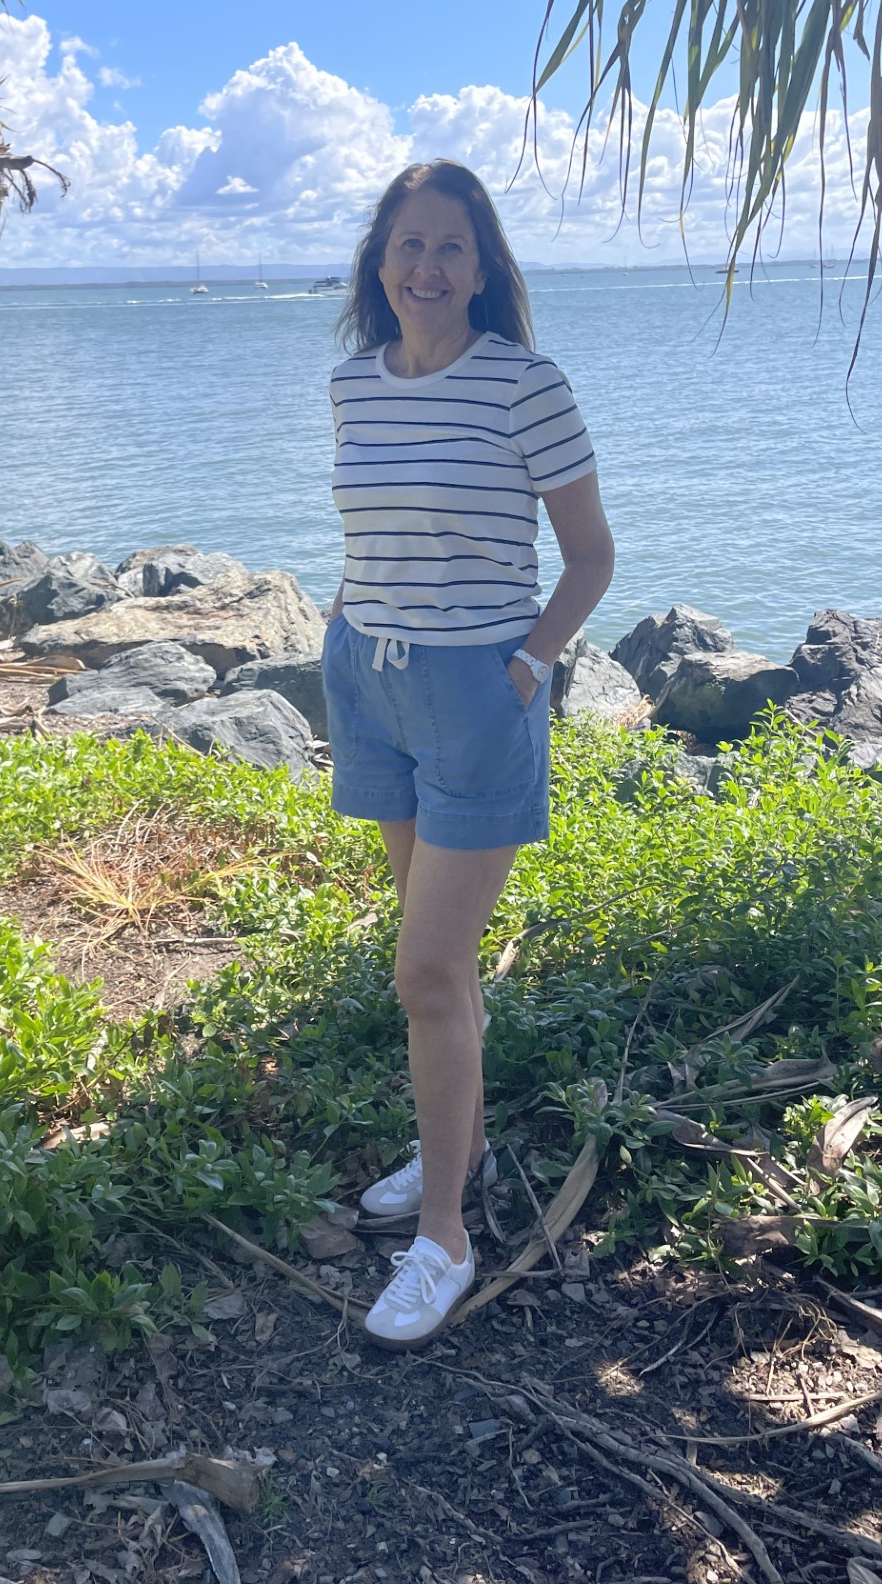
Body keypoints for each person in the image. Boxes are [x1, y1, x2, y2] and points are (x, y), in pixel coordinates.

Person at [321, 160, 614, 1348]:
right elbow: (374, 524)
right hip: (368, 676)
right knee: (435, 964)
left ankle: (445, 1234)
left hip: (480, 692)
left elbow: (591, 556)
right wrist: (345, 623)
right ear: (379, 263)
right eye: (407, 246)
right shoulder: (353, 382)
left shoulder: (526, 385)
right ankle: (468, 1147)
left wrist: (529, 666)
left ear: (483, 268)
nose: (426, 268)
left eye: (450, 248)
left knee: (426, 973)